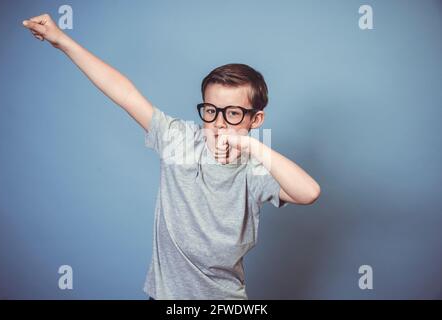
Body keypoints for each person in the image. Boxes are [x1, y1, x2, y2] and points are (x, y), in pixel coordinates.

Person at [22, 14, 321, 300]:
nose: (217, 123)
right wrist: (62, 41)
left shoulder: (255, 169)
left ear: (255, 120)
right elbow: (125, 94)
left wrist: (252, 146)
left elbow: (309, 193)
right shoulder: (180, 140)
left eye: (232, 114)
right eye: (210, 111)